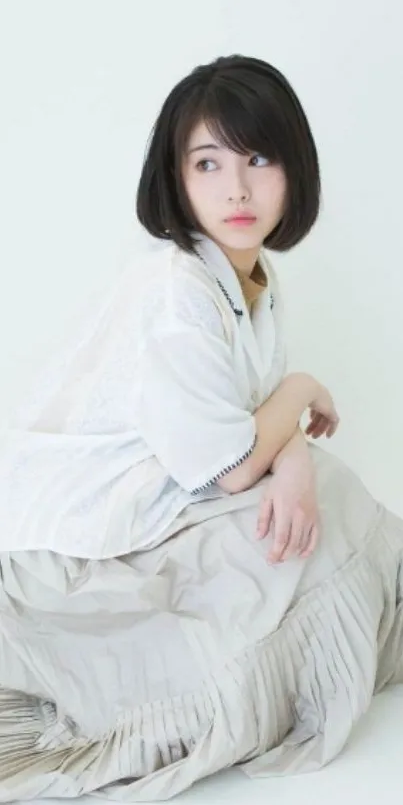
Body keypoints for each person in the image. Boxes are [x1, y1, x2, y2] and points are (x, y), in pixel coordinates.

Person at [0, 53, 402, 802]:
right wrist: (301, 391)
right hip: (66, 548)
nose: (237, 189)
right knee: (316, 516)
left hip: (161, 501)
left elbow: (244, 438)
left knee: (323, 503)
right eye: (208, 163)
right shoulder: (174, 288)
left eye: (257, 158)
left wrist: (291, 461)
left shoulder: (249, 277)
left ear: (293, 171)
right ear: (175, 178)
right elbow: (226, 467)